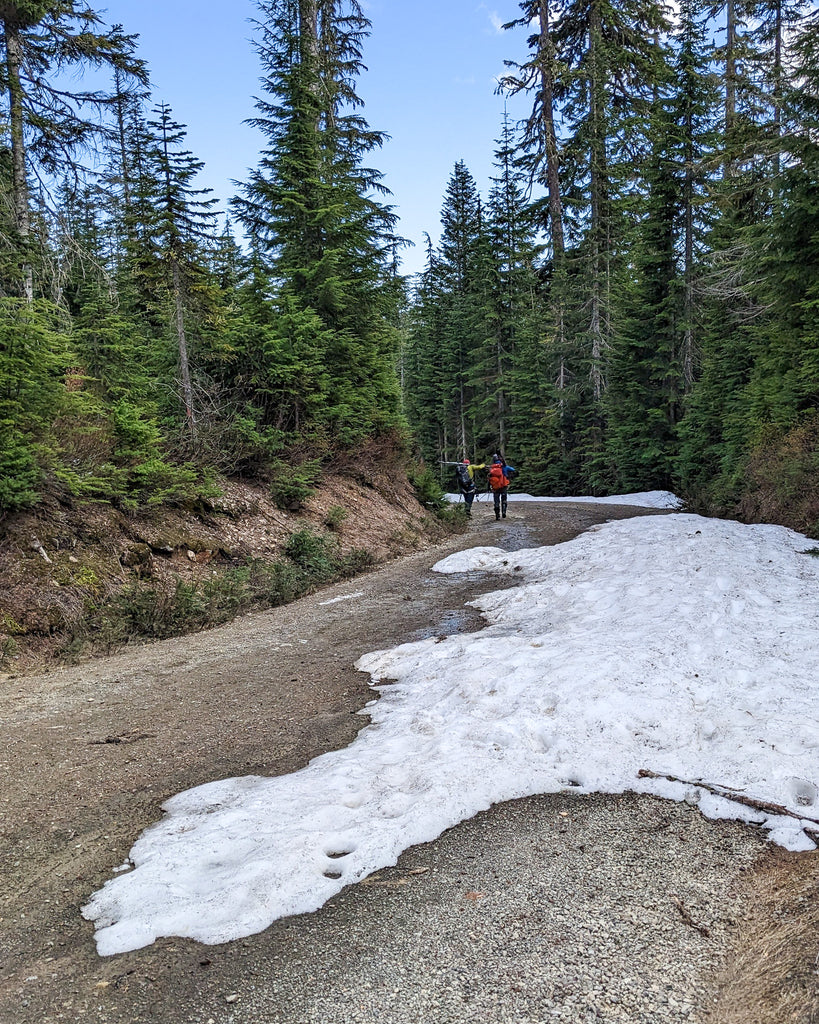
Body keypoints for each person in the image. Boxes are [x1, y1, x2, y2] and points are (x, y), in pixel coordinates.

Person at [487, 453, 515, 520]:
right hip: (503, 486)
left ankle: (497, 515)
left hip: (495, 487)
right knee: (504, 499)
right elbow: (513, 469)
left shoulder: (491, 468)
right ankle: (504, 512)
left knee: (496, 501)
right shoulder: (504, 467)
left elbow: (489, 478)